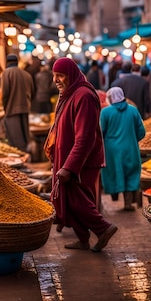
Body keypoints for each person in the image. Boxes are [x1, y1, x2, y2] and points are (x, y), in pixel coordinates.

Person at [44, 57, 118, 252]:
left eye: (60, 76)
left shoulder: (83, 96)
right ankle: (83, 239)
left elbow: (85, 137)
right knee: (69, 199)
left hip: (82, 161)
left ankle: (103, 228)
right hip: (69, 157)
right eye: (54, 76)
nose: (56, 80)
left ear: (71, 75)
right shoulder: (69, 94)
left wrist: (69, 167)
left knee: (78, 201)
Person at [100, 87, 146, 210]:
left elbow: (100, 132)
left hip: (111, 151)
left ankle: (115, 195)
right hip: (130, 148)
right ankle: (128, 203)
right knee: (131, 173)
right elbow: (141, 131)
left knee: (115, 173)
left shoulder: (105, 112)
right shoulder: (133, 110)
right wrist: (131, 139)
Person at [0, 54, 34, 152]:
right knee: (24, 135)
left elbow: (4, 93)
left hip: (12, 109)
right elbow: (32, 91)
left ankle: (20, 160)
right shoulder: (26, 74)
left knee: (15, 139)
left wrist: (5, 107)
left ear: (7, 62)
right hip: (25, 107)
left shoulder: (6, 73)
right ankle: (26, 156)